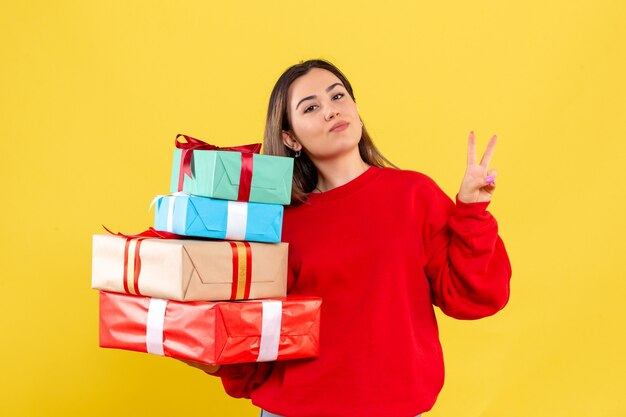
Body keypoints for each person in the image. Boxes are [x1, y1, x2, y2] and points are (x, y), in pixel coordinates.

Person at [185, 59, 512, 417]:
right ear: (289, 137)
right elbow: (262, 340)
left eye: (338, 96)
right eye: (311, 107)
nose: (331, 111)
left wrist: (471, 212)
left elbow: (472, 297)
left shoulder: (413, 195)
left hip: (396, 409)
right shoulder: (273, 222)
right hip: (294, 410)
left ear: (356, 109)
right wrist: (217, 359)